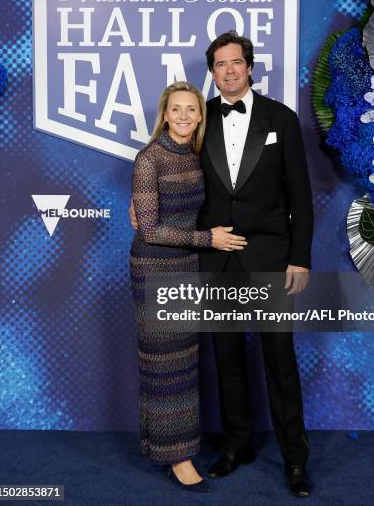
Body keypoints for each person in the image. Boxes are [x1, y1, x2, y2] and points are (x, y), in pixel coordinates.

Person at [198, 32, 313, 497]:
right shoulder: (197, 118)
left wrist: (300, 258)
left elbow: (300, 198)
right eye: (220, 64)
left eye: (236, 62)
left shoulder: (281, 120)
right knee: (227, 362)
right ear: (212, 72)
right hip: (217, 259)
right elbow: (174, 175)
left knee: (280, 363)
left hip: (269, 258)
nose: (228, 70)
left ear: (250, 67)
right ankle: (237, 446)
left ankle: (295, 460)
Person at [129, 80, 247, 493]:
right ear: (164, 114)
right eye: (175, 109)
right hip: (155, 267)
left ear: (200, 116)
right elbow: (150, 228)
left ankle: (170, 446)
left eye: (191, 110)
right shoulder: (150, 158)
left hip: (188, 267)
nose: (182, 116)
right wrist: (207, 239)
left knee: (183, 363)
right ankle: (177, 458)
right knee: (163, 366)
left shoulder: (196, 156)